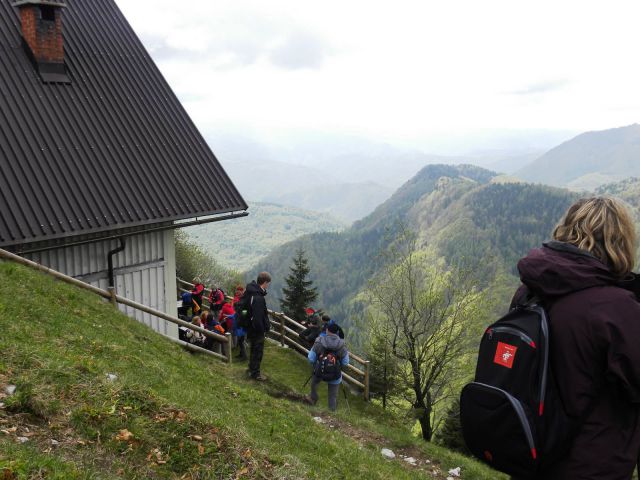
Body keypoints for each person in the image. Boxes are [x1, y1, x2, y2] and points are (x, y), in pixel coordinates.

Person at [511, 196, 640, 479]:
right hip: (592, 463)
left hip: (531, 450)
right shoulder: (617, 309)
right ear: (620, 241)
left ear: (568, 229)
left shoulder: (529, 292)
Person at [307, 323, 349, 411]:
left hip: (319, 371)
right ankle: (331, 413)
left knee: (314, 384)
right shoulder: (342, 345)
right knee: (333, 396)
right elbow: (345, 363)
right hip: (335, 374)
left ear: (327, 330)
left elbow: (311, 358)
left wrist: (316, 365)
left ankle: (313, 400)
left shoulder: (319, 341)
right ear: (337, 332)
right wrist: (338, 365)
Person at [245, 272, 271, 381]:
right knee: (258, 351)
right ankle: (256, 374)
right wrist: (262, 330)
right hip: (257, 330)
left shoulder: (250, 292)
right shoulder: (258, 297)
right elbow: (258, 317)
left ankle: (251, 369)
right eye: (268, 283)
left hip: (250, 327)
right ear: (265, 282)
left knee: (253, 349)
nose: (268, 285)